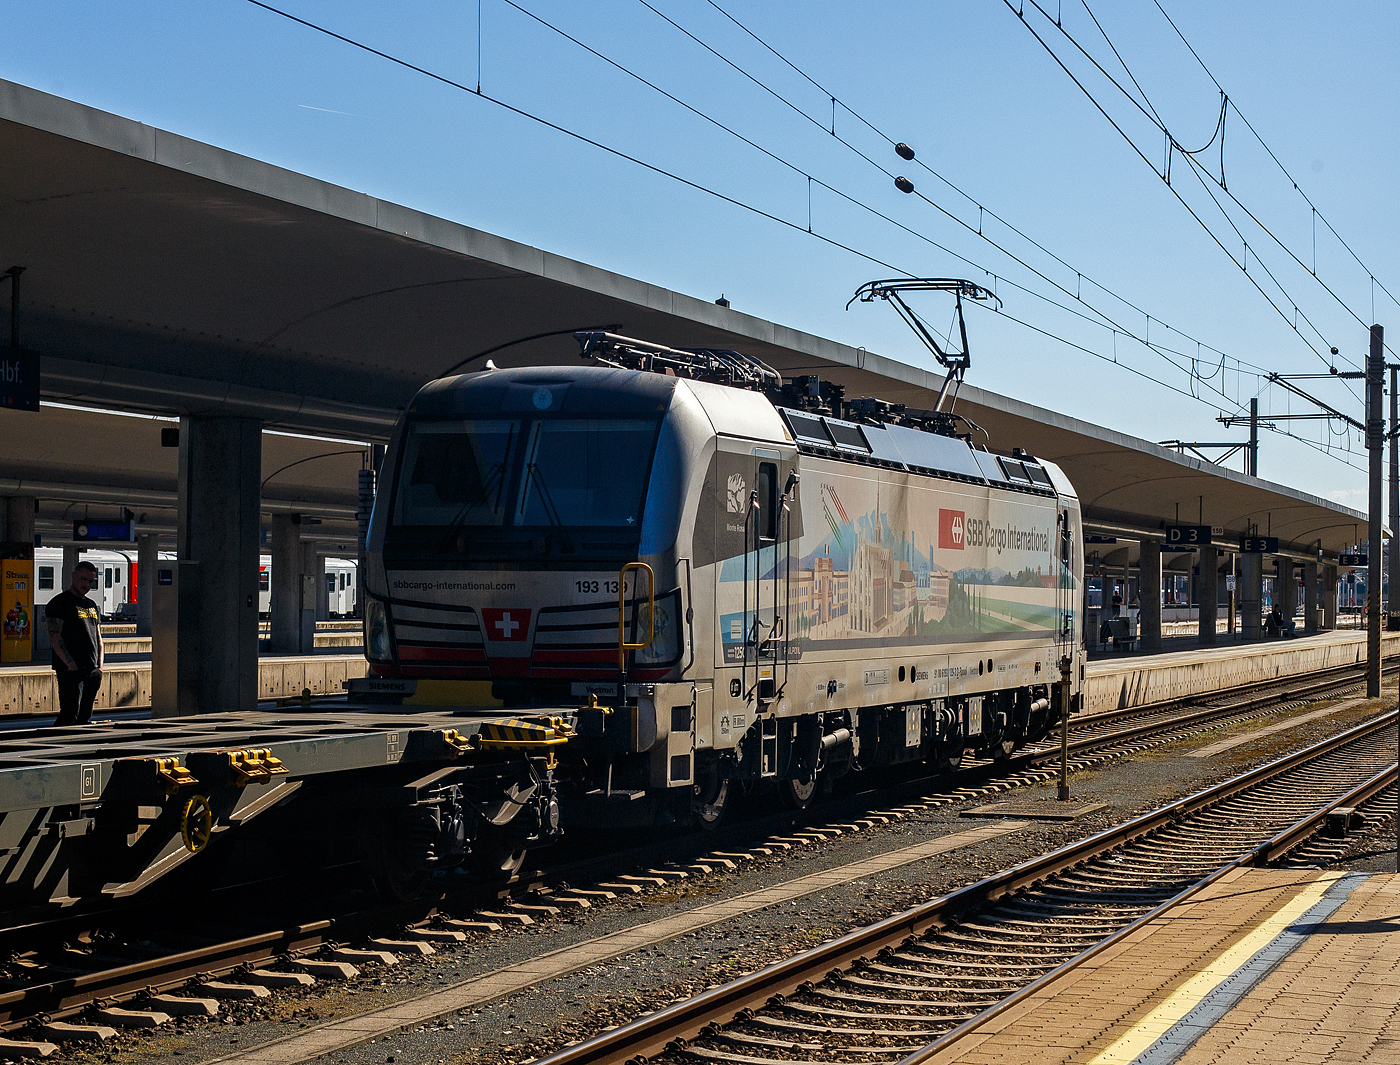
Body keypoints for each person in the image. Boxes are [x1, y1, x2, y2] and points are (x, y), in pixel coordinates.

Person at [47, 561, 104, 726]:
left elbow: (97, 636)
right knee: (70, 713)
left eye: (90, 581)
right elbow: (55, 637)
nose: (86, 585)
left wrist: (99, 666)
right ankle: (55, 740)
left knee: (85, 715)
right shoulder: (59, 603)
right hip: (70, 670)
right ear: (73, 576)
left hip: (91, 668)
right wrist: (71, 665)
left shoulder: (91, 605)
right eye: (83, 579)